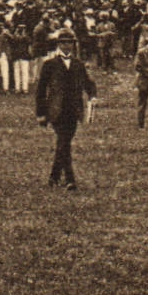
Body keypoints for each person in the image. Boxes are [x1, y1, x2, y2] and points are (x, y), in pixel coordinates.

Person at [34, 28, 96, 190]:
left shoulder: (78, 64)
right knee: (64, 142)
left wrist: (92, 95)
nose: (67, 46)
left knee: (64, 143)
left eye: (69, 43)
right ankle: (70, 179)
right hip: (56, 110)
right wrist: (40, 113)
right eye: (63, 43)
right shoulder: (49, 65)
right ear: (58, 44)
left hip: (74, 110)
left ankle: (54, 176)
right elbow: (41, 91)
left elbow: (88, 83)